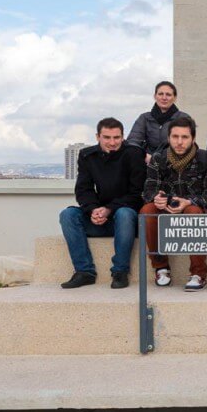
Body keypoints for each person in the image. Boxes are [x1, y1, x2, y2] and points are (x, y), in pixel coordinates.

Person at [139, 116, 207, 292]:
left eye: (184, 137)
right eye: (175, 137)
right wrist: (158, 198)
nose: (179, 142)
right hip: (166, 207)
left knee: (193, 212)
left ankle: (198, 274)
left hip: (195, 207)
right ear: (168, 138)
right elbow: (148, 190)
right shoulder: (158, 159)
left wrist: (189, 202)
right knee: (147, 210)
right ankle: (161, 267)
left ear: (193, 138)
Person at [59, 117, 146, 290]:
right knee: (67, 215)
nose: (112, 142)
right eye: (107, 137)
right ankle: (84, 272)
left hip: (126, 220)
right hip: (99, 217)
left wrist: (109, 209)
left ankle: (120, 272)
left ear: (122, 136)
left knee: (125, 213)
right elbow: (83, 190)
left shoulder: (134, 154)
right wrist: (93, 210)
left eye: (117, 137)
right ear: (98, 136)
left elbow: (137, 194)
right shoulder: (87, 156)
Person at [127, 81, 191, 162]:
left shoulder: (184, 118)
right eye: (160, 94)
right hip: (147, 162)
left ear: (174, 98)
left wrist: (162, 159)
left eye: (168, 94)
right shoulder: (144, 118)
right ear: (155, 96)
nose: (164, 98)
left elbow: (187, 144)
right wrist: (144, 155)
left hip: (175, 162)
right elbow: (133, 142)